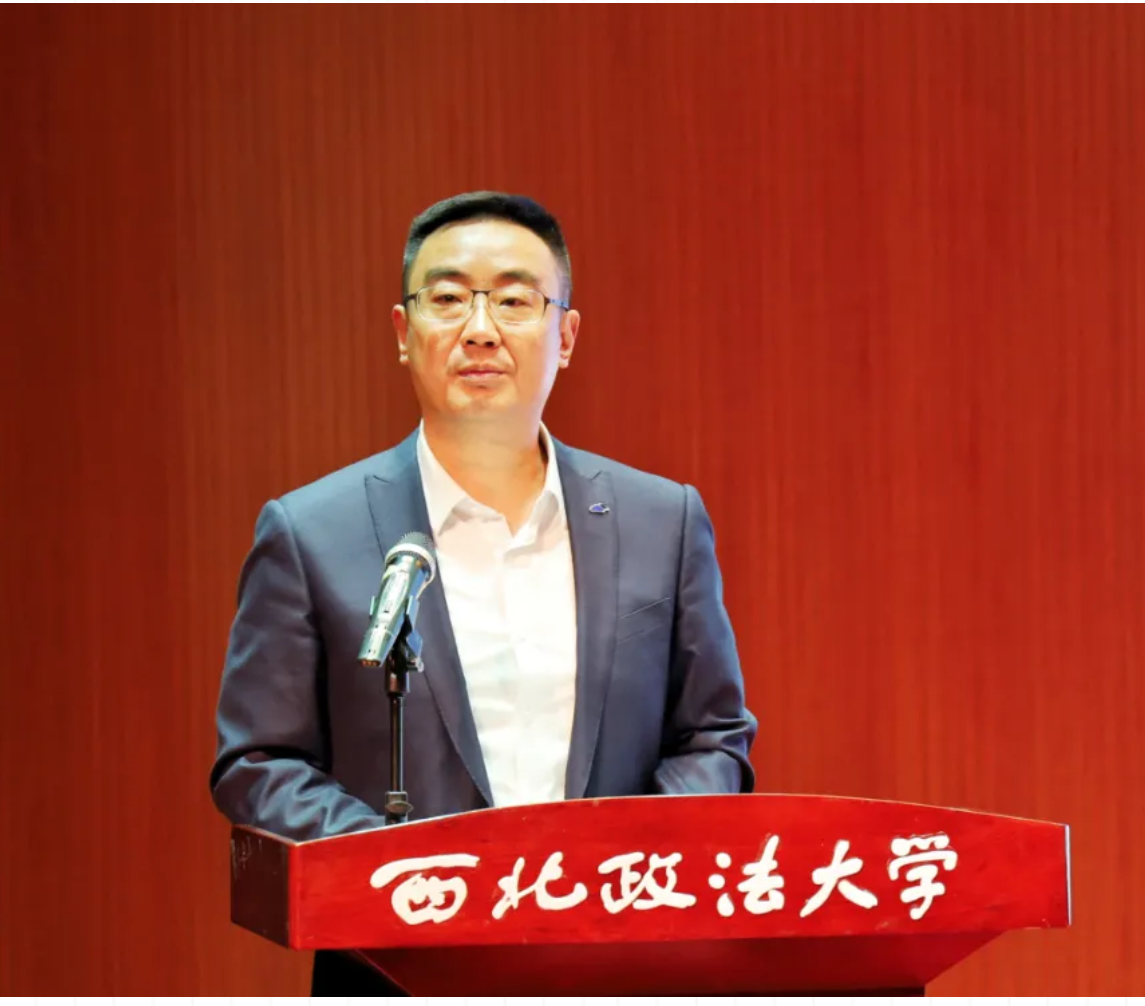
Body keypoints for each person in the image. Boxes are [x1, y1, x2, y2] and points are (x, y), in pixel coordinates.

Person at [209, 191, 757, 994]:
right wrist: (408, 872)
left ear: (565, 336)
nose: (479, 329)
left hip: (619, 967)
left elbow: (714, 737)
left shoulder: (661, 522)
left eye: (514, 301)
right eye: (447, 299)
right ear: (403, 332)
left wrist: (621, 865)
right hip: (399, 970)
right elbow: (259, 761)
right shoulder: (310, 532)